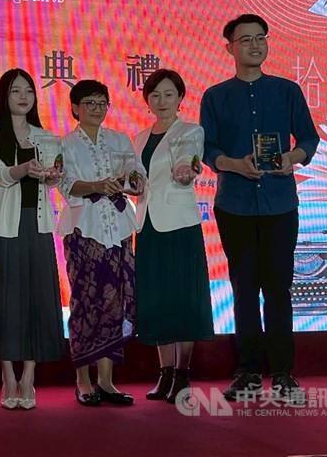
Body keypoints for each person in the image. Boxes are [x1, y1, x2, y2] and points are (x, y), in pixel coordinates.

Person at [200, 14, 319, 402]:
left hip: (280, 203)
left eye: (261, 38)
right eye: (245, 39)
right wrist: (235, 164)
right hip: (234, 204)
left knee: (279, 290)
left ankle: (284, 374)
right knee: (244, 289)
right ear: (229, 48)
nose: (255, 45)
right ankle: (248, 373)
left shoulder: (287, 91)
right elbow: (208, 150)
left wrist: (292, 158)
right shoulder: (215, 96)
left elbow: (309, 138)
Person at [0, 68, 65, 410]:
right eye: (15, 91)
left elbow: (55, 180)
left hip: (38, 226)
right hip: (3, 226)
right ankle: (7, 375)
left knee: (37, 298)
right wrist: (25, 169)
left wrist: (54, 175)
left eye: (28, 90)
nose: (24, 97)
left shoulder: (48, 137)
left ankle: (29, 376)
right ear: (4, 97)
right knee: (6, 300)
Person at [57, 79, 145, 407]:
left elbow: (137, 176)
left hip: (119, 229)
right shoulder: (65, 144)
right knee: (85, 302)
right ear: (75, 108)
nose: (96, 109)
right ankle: (83, 381)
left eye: (101, 103)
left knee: (116, 303)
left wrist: (132, 181)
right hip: (83, 231)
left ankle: (107, 381)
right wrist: (97, 184)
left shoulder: (120, 139)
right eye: (89, 103)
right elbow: (66, 185)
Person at [132, 69, 214, 404]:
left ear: (180, 98)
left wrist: (187, 172)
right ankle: (163, 372)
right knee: (156, 298)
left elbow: (189, 161)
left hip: (180, 225)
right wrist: (129, 184)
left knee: (183, 298)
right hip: (148, 225)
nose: (161, 101)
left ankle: (182, 374)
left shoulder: (190, 131)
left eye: (168, 94)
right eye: (155, 95)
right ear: (147, 100)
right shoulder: (138, 138)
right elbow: (137, 178)